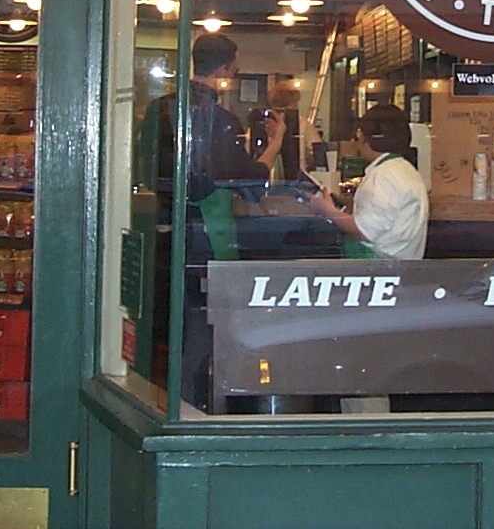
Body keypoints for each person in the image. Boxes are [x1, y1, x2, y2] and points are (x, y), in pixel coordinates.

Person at [140, 33, 286, 411]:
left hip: (162, 233)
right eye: (233, 70)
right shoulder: (219, 119)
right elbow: (249, 184)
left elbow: (145, 170)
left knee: (170, 329)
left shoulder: (158, 110)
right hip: (204, 238)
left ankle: (166, 401)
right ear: (224, 69)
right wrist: (275, 143)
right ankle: (192, 409)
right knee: (202, 330)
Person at [307, 103, 428, 260]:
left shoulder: (383, 175)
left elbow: (365, 231)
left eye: (359, 134)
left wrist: (327, 211)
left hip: (378, 267)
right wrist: (341, 209)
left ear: (367, 139)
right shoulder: (406, 170)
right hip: (400, 266)